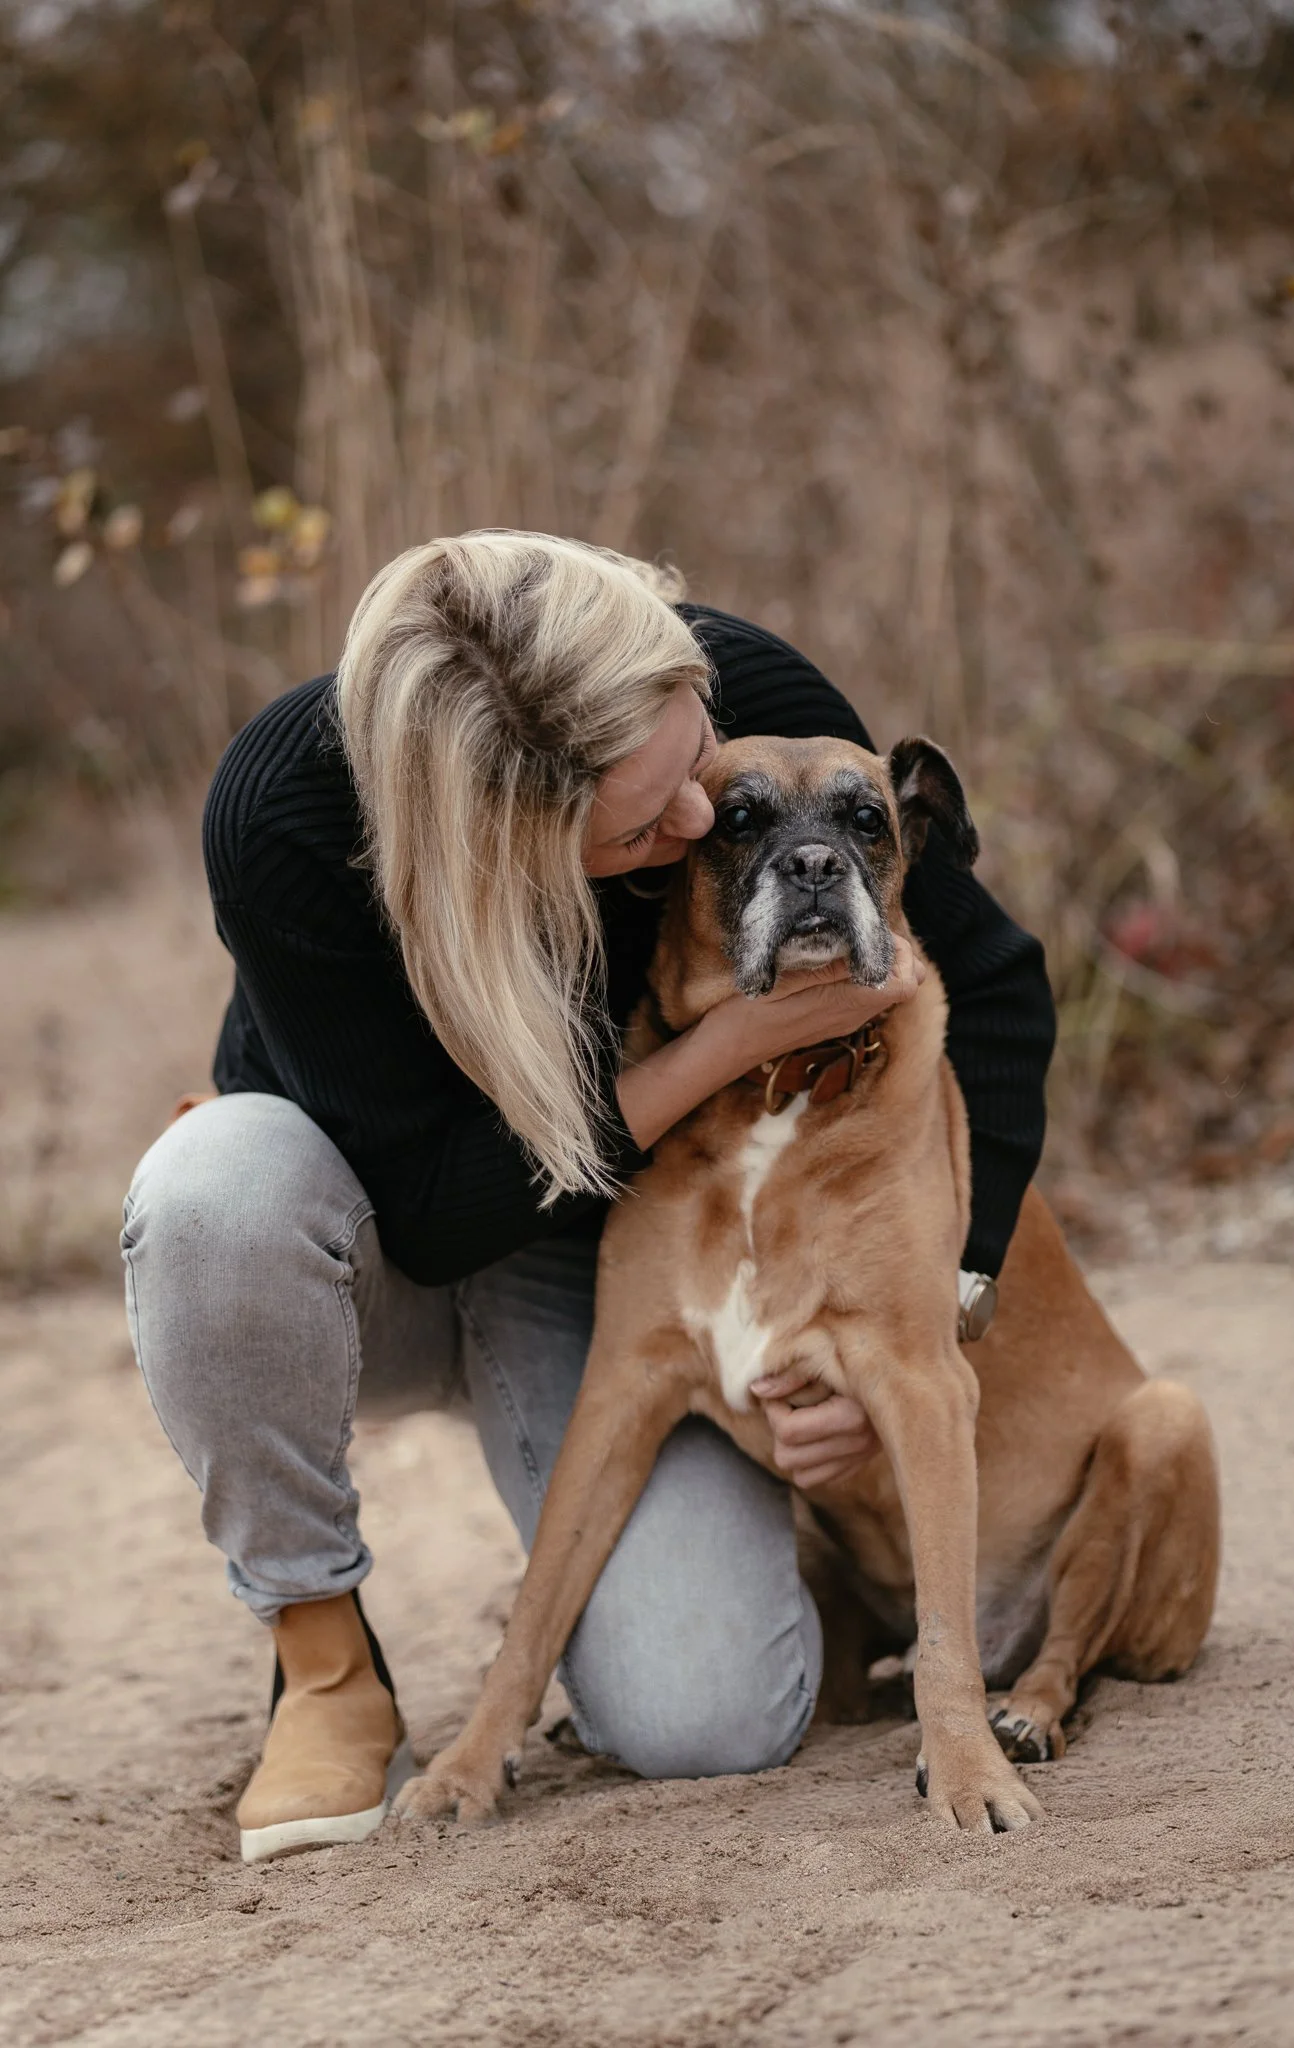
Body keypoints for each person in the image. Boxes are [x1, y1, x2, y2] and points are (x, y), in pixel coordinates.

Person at [121, 531, 1055, 1864]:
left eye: (695, 769)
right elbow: (439, 1216)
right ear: (512, 832)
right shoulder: (282, 817)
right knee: (213, 1189)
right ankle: (320, 1658)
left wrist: (942, 1294)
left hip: (596, 1233)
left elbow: (992, 979)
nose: (695, 823)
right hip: (381, 1223)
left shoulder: (737, 698)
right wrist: (723, 1050)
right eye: (649, 823)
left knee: (708, 1711)